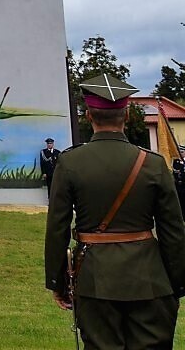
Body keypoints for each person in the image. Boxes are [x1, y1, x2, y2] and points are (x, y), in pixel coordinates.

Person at [45, 74, 185, 349]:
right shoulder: (154, 164)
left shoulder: (70, 162)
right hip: (151, 281)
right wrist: (177, 284)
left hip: (95, 281)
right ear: (128, 116)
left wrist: (58, 283)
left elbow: (58, 229)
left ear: (87, 116)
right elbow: (173, 231)